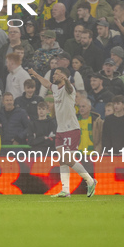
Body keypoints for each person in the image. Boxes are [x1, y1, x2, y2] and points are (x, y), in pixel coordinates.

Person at [29, 66, 97, 198]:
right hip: (60, 130)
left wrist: (67, 81)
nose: (53, 76)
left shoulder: (69, 89)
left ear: (63, 76)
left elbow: (69, 87)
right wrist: (35, 74)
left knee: (68, 159)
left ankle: (90, 180)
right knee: (62, 160)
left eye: (56, 74)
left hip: (71, 129)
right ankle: (66, 190)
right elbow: (47, 83)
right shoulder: (55, 88)